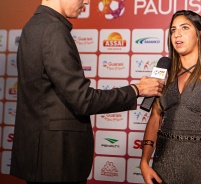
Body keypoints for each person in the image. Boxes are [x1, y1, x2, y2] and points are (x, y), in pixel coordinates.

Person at [10, 0, 165, 183]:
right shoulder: (54, 30)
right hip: (57, 160)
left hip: (40, 159)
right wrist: (136, 90)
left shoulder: (32, 26)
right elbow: (83, 100)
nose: (86, 1)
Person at [140, 10, 201, 184]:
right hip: (163, 162)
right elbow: (155, 118)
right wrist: (144, 162)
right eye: (173, 30)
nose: (177, 34)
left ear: (200, 35)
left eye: (184, 28)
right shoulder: (164, 72)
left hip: (200, 164)